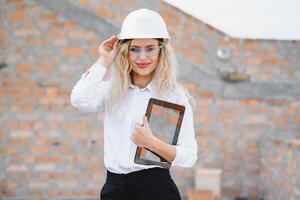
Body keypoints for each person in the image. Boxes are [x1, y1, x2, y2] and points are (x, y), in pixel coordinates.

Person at [70, 8, 197, 200]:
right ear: (125, 51)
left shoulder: (174, 96)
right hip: (114, 189)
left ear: (161, 50)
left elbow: (189, 156)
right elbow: (79, 99)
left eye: (150, 48)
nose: (142, 57)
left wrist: (151, 143)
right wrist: (104, 60)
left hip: (156, 190)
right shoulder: (112, 90)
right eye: (134, 49)